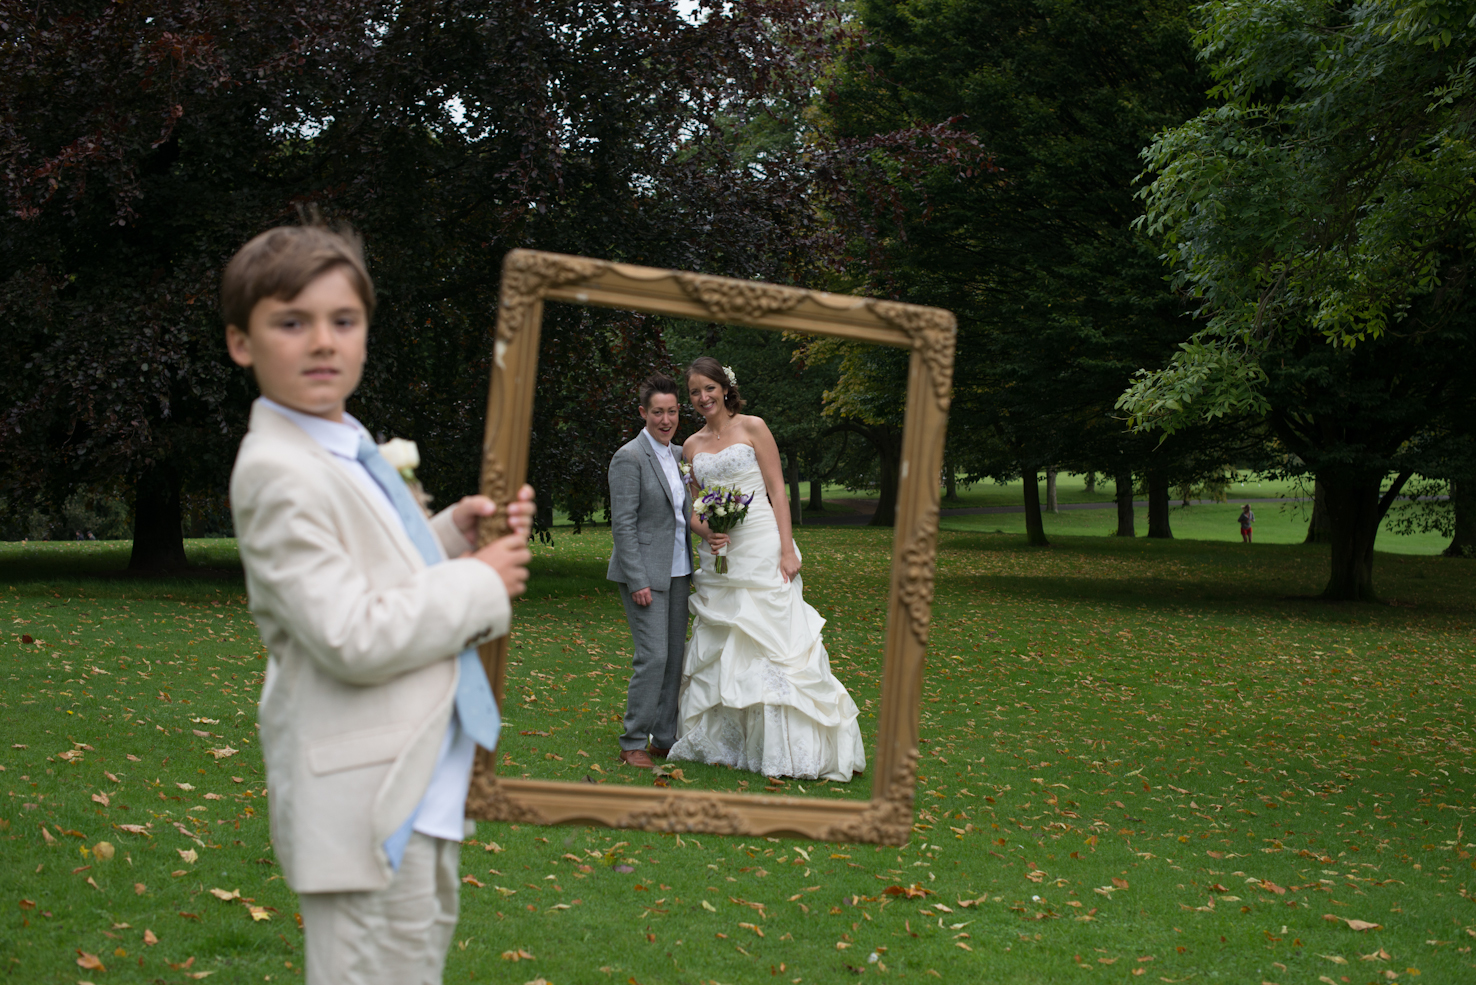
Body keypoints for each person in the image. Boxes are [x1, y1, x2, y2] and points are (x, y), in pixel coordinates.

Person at [223, 223, 535, 985]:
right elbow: (349, 631)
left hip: (417, 779)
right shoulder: (278, 470)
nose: (322, 341)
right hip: (364, 800)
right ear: (242, 343)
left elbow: (371, 571)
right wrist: (481, 584)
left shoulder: (342, 445)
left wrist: (450, 538)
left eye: (343, 320)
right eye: (291, 322)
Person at [668, 356, 865, 781]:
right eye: (695, 393)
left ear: (725, 387)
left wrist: (787, 550)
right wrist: (708, 533)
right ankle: (728, 744)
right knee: (726, 643)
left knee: (774, 641)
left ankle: (790, 748)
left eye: (708, 388)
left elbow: (777, 489)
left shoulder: (754, 427)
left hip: (761, 544)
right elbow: (696, 507)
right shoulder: (691, 446)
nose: (703, 398)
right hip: (722, 557)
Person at [606, 374, 696, 769]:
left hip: (679, 572)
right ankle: (632, 742)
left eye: (672, 411)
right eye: (657, 412)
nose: (665, 419)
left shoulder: (680, 456)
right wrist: (637, 578)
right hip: (644, 575)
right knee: (654, 656)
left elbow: (688, 514)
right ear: (643, 413)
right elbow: (622, 524)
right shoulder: (628, 457)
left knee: (675, 657)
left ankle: (663, 738)